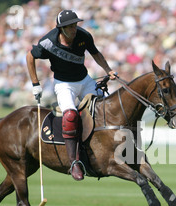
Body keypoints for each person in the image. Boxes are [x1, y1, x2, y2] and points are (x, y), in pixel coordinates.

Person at [26, 9, 117, 181]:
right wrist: (35, 84)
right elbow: (30, 57)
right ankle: (74, 162)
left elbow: (96, 53)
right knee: (70, 115)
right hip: (64, 85)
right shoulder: (48, 42)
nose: (74, 29)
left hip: (84, 80)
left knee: (104, 109)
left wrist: (108, 70)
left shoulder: (83, 36)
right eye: (70, 26)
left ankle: (106, 149)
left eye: (75, 24)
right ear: (61, 28)